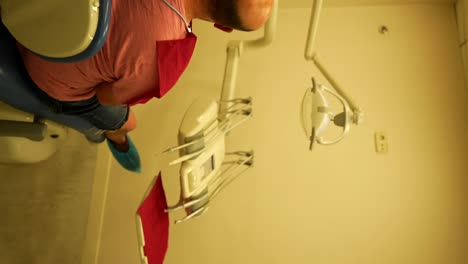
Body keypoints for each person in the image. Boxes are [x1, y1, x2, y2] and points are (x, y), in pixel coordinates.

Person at [16, 0, 274, 172]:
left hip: (26, 8)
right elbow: (104, 95)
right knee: (127, 122)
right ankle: (113, 136)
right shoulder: (168, 56)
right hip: (41, 63)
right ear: (224, 27)